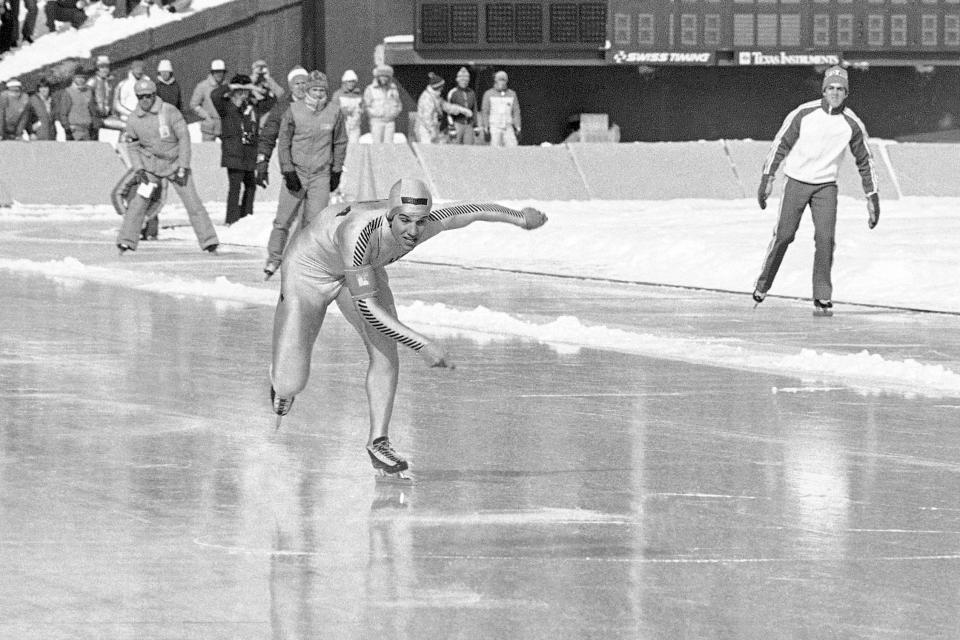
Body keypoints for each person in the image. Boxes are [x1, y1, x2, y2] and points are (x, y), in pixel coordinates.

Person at [268, 178, 549, 478]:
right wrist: (422, 344)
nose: (413, 232)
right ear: (390, 216)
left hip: (361, 269)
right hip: (309, 273)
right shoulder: (358, 233)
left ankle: (378, 442)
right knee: (290, 382)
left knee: (385, 352)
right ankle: (278, 378)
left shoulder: (426, 223)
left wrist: (520, 218)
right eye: (404, 221)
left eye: (420, 222)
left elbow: (473, 211)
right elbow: (368, 309)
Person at [752, 66, 880, 317]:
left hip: (826, 186)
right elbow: (780, 144)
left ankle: (822, 295)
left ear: (846, 93)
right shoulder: (804, 113)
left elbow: (865, 161)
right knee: (785, 235)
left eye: (840, 89)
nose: (835, 93)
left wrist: (872, 197)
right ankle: (763, 285)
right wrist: (768, 177)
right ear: (824, 90)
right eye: (831, 88)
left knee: (825, 239)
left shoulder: (851, 124)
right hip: (796, 181)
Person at [116, 77, 219, 254]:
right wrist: (139, 168)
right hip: (151, 167)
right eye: (141, 97)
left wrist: (183, 165)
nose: (145, 100)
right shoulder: (133, 119)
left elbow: (184, 138)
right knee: (138, 203)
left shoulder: (169, 111)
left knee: (193, 203)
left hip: (175, 164)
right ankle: (126, 241)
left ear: (154, 95)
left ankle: (209, 241)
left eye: (148, 96)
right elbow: (132, 146)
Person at [265, 70, 347, 277]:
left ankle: (299, 260)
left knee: (314, 222)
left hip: (321, 174)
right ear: (308, 91)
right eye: (314, 89)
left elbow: (340, 142)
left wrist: (336, 170)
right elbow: (283, 142)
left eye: (322, 90)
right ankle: (274, 258)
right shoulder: (293, 110)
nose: (318, 94)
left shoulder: (334, 112)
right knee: (283, 220)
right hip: (297, 172)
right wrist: (288, 169)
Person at [212, 73, 273, 225]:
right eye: (240, 91)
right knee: (235, 187)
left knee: (251, 186)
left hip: (249, 153)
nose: (242, 95)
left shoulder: (252, 106)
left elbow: (272, 99)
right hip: (233, 153)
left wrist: (259, 86)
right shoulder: (226, 106)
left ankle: (246, 216)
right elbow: (214, 95)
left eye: (245, 91)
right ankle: (231, 219)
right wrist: (233, 87)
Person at [415, 72, 471, 144]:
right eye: (441, 87)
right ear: (438, 87)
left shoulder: (436, 96)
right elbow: (427, 118)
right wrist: (432, 131)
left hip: (434, 128)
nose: (442, 89)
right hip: (425, 130)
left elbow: (447, 106)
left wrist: (462, 110)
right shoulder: (427, 98)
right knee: (427, 150)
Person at [481, 70, 521, 147]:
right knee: (495, 149)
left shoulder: (512, 94)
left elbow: (516, 111)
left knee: (513, 147)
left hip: (508, 126)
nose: (501, 82)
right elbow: (485, 112)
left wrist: (518, 127)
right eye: (499, 80)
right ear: (495, 80)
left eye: (504, 80)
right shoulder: (488, 94)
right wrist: (486, 127)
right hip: (494, 127)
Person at [190, 59, 227, 141]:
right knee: (208, 151)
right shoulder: (203, 86)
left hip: (225, 127)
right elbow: (194, 105)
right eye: (217, 72)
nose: (219, 75)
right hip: (209, 128)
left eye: (221, 72)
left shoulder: (226, 86)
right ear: (212, 72)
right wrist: (206, 116)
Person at [363, 64, 401, 144]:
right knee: (377, 145)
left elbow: (398, 103)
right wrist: (374, 114)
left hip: (390, 121)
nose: (384, 78)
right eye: (382, 76)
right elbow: (366, 105)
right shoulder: (370, 89)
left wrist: (394, 113)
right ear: (377, 77)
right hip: (377, 121)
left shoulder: (393, 89)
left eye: (386, 76)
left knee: (389, 145)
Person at [57, 68, 96, 140]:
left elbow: (92, 111)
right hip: (74, 130)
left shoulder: (88, 91)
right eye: (78, 77)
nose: (81, 80)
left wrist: (94, 125)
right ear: (74, 78)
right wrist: (67, 128)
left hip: (86, 130)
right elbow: (63, 113)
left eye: (83, 78)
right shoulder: (68, 92)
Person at [446, 67, 478, 145]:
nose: (464, 82)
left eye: (466, 80)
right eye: (462, 80)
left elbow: (474, 109)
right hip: (457, 124)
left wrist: (476, 125)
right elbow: (448, 112)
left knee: (469, 148)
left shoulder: (471, 93)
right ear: (458, 80)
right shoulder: (453, 93)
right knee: (455, 147)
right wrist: (451, 127)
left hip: (468, 125)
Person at [88, 55, 118, 135]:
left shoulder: (109, 83)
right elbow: (89, 101)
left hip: (108, 115)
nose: (105, 70)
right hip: (95, 117)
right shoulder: (92, 82)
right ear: (97, 69)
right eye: (102, 67)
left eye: (106, 67)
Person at [332, 69, 362, 143]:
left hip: (355, 126)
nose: (351, 84)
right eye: (349, 81)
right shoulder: (337, 94)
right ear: (344, 82)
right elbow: (333, 110)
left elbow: (363, 108)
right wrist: (343, 111)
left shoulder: (359, 94)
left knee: (354, 147)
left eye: (353, 81)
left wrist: (359, 112)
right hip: (343, 125)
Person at [113, 59, 146, 125]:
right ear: (132, 69)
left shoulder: (147, 82)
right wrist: (132, 114)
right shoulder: (123, 84)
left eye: (141, 69)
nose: (139, 71)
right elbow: (117, 105)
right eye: (137, 69)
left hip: (145, 120)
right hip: (127, 120)